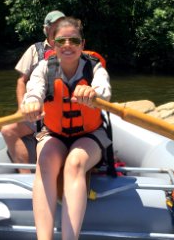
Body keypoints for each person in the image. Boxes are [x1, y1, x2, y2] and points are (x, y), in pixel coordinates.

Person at [21, 17, 112, 240]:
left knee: (75, 163)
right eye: (62, 40)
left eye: (74, 40)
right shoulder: (43, 68)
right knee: (45, 163)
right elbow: (33, 91)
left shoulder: (94, 68)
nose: (68, 45)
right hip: (54, 133)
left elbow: (104, 91)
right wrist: (31, 103)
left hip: (89, 135)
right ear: (53, 44)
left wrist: (93, 94)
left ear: (82, 43)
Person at [1, 10, 65, 173]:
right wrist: (22, 107)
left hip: (60, 111)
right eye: (55, 25)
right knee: (8, 130)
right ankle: (25, 177)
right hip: (36, 112)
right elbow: (22, 81)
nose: (59, 28)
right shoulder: (35, 50)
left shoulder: (69, 47)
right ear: (47, 28)